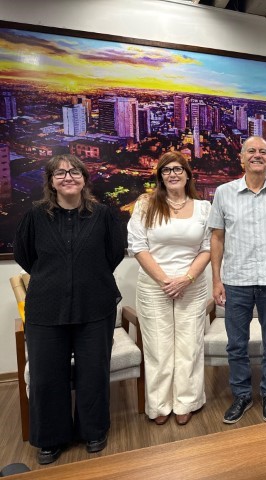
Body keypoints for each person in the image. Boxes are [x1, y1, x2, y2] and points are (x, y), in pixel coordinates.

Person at [13, 154, 124, 465]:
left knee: (93, 372)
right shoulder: (35, 217)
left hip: (95, 305)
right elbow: (25, 256)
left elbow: (114, 254)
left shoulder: (103, 215)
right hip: (46, 309)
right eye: (59, 173)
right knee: (47, 376)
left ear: (84, 178)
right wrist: (57, 277)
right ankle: (51, 438)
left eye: (74, 171)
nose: (67, 177)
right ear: (51, 182)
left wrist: (86, 275)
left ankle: (93, 431)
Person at [209, 136, 266, 424]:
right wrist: (216, 280)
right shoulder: (224, 193)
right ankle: (242, 395)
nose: (257, 155)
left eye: (263, 151)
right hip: (236, 281)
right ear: (241, 158)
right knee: (237, 344)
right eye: (251, 151)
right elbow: (217, 237)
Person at [127, 151, 211, 427]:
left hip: (192, 285)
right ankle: (159, 404)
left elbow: (208, 247)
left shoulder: (204, 208)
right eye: (166, 170)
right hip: (154, 286)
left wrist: (186, 279)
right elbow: (138, 246)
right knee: (158, 346)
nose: (172, 174)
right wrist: (165, 280)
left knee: (190, 345)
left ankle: (187, 401)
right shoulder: (146, 205)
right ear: (160, 176)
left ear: (187, 174)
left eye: (177, 169)